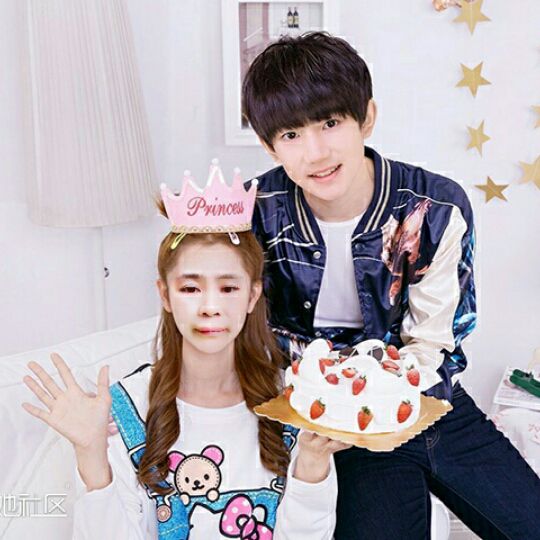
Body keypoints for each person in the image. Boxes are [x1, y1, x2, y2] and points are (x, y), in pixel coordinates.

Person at [241, 31, 540, 539]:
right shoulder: (254, 213)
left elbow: (435, 341)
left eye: (330, 123)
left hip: (429, 399)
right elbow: (233, 324)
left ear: (367, 117)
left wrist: (384, 394)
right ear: (269, 146)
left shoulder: (435, 207)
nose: (315, 152)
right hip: (330, 422)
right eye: (291, 135)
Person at [21, 163, 347, 539]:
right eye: (190, 289)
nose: (210, 307)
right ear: (165, 295)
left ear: (252, 295)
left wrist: (312, 461)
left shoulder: (295, 401)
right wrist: (91, 454)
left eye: (228, 288)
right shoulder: (125, 410)